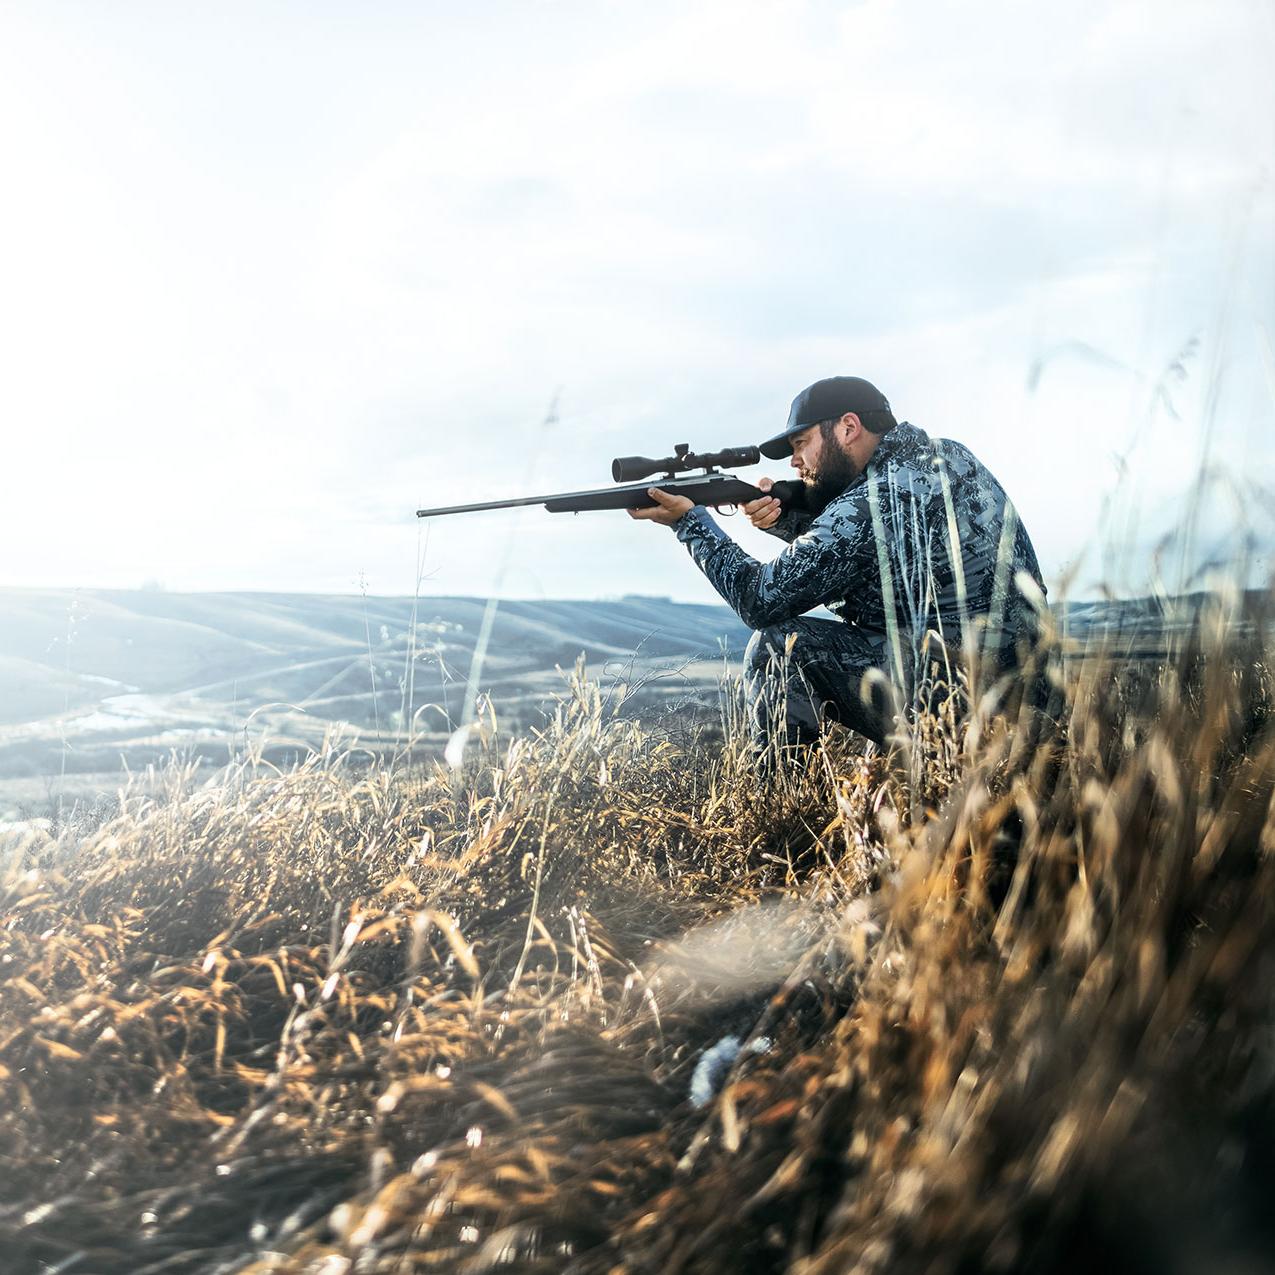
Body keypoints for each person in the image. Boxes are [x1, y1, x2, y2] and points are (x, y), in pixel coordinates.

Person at [628, 376, 1047, 752]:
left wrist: (689, 522)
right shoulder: (945, 456)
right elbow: (876, 558)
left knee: (779, 646)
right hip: (1034, 698)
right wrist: (790, 518)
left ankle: (784, 822)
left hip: (971, 705)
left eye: (800, 444)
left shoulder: (872, 499)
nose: (795, 462)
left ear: (848, 427)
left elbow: (759, 601)